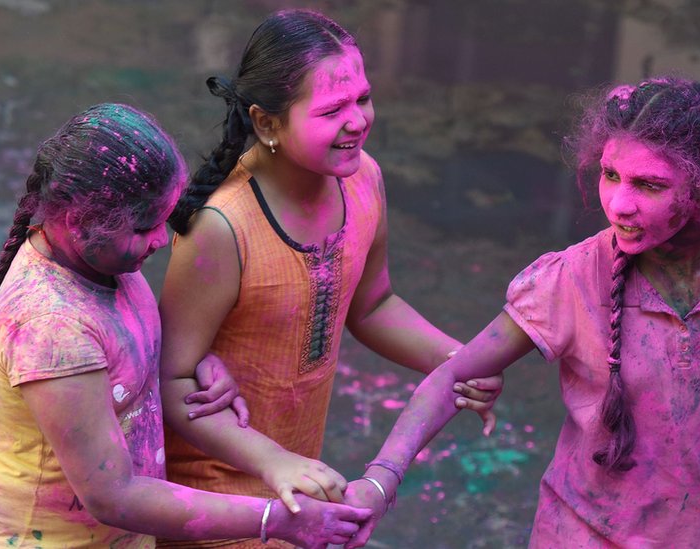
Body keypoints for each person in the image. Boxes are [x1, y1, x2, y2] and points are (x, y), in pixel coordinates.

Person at [342, 77, 700, 548]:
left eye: (649, 185)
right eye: (610, 175)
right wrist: (379, 482)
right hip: (577, 533)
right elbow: (453, 377)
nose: (619, 205)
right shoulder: (571, 279)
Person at [0, 103, 370, 548]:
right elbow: (114, 496)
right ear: (75, 220)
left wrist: (188, 361)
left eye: (164, 220)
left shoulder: (101, 262)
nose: (162, 240)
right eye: (145, 228)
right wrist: (274, 520)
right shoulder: (51, 327)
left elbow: (117, 356)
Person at [156, 9, 503, 548]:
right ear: (267, 123)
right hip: (217, 501)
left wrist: (458, 361)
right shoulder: (222, 227)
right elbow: (171, 380)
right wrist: (272, 460)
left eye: (363, 99)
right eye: (332, 109)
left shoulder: (363, 179)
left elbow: (373, 304)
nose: (357, 121)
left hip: (303, 484)